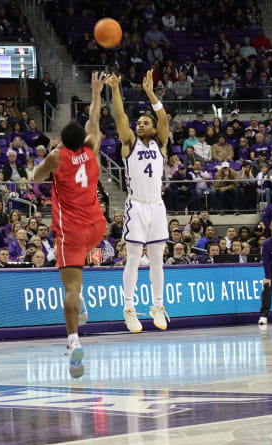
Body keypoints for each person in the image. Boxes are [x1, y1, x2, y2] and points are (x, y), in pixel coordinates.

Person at [32, 72, 106, 379]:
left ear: (63, 140)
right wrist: (96, 91)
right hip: (97, 226)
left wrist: (49, 157)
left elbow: (36, 178)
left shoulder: (55, 157)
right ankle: (82, 305)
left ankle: (73, 342)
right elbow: (95, 121)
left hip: (72, 231)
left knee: (70, 288)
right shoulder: (93, 150)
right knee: (78, 281)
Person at [107, 71, 170, 333]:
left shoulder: (161, 144)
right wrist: (114, 89)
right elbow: (121, 117)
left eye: (145, 122)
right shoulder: (129, 143)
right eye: (139, 122)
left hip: (157, 206)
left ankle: (158, 306)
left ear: (154, 129)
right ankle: (129, 308)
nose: (140, 124)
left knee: (157, 260)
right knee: (133, 258)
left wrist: (150, 93)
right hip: (137, 206)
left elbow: (164, 118)